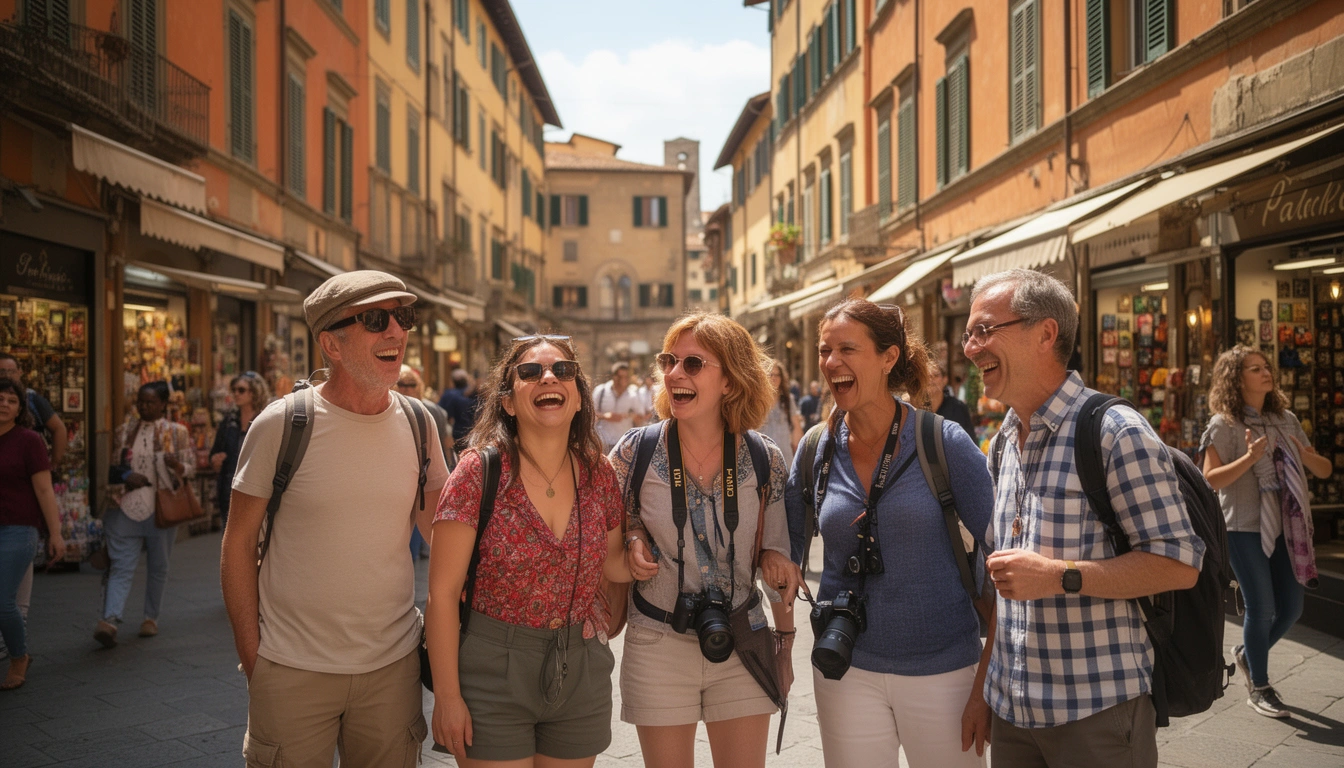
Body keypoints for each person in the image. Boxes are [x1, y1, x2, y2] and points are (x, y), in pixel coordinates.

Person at [966, 269, 1203, 767]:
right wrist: (982, 691)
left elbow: (1178, 563)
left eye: (985, 330)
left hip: (1096, 713)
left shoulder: (1116, 432)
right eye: (969, 334)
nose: (970, 348)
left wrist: (1057, 576)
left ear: (1045, 333)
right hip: (1012, 712)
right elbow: (1006, 595)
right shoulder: (1004, 442)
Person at [222, 271, 450, 766]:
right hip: (291, 669)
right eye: (375, 319)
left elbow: (445, 537)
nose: (396, 332)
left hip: (393, 668)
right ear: (332, 344)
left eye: (402, 317)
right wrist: (255, 657)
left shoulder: (418, 423)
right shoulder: (282, 423)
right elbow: (237, 543)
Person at [784, 300, 995, 768]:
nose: (831, 362)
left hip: (945, 673)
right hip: (844, 669)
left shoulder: (945, 443)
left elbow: (1003, 557)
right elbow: (784, 547)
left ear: (888, 357)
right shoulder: (817, 448)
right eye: (824, 351)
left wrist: (985, 683)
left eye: (846, 349)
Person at [427, 334, 630, 765]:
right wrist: (446, 697)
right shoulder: (476, 472)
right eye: (530, 372)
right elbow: (442, 595)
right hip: (491, 669)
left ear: (578, 399)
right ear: (508, 402)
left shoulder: (599, 474)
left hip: (581, 667)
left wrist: (645, 550)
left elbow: (614, 564)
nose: (549, 377)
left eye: (563, 371)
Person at [616, 312, 803, 768]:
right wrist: (632, 540)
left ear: (731, 381)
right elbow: (610, 528)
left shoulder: (766, 459)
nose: (674, 373)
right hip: (657, 640)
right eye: (669, 361)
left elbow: (776, 552)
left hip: (741, 637)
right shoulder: (633, 452)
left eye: (693, 364)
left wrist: (784, 643)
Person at [1201, 346, 1330, 718]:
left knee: (1291, 607)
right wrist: (1250, 459)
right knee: (1262, 607)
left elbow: (1322, 470)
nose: (1264, 372)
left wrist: (1302, 454)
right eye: (1254, 368)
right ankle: (1260, 686)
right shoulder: (1224, 424)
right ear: (1236, 379)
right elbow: (1211, 479)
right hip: (1243, 526)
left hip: (1287, 526)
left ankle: (1245, 653)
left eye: (1265, 366)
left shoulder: (1284, 418)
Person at [97, 380, 194, 647]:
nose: (144, 406)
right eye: (140, 401)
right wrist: (127, 475)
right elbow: (113, 466)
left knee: (158, 565)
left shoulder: (177, 433)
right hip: (125, 505)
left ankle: (151, 617)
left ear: (163, 404)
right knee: (121, 564)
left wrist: (178, 466)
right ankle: (110, 619)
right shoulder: (123, 431)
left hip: (161, 508)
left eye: (150, 402)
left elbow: (191, 467)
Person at [0, 352, 68, 659]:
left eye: (11, 401)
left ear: (19, 409)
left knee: (6, 600)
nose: (4, 404)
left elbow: (44, 491)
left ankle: (18, 655)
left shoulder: (29, 441)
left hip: (18, 527)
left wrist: (55, 534)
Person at [398, 364, 453, 560]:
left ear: (418, 386)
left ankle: (418, 551)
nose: (405, 388)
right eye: (401, 384)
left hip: (425, 475)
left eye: (410, 384)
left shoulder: (432, 411)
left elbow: (445, 442)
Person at [210, 372, 273, 532]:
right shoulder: (228, 421)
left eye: (241, 390)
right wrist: (215, 459)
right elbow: (215, 451)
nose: (236, 394)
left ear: (254, 391)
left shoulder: (266, 419)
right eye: (234, 390)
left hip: (258, 487)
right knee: (230, 534)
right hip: (229, 488)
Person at [0, 352, 68, 467]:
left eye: (11, 371)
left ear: (19, 372)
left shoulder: (32, 398)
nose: (7, 376)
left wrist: (53, 463)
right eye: (2, 371)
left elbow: (59, 428)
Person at [593, 361, 646, 453]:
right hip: (602, 443)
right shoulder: (600, 391)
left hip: (624, 445)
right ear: (613, 376)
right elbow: (590, 415)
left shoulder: (633, 395)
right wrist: (604, 416)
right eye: (620, 376)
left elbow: (641, 418)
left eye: (626, 377)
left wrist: (631, 416)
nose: (623, 380)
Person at [762, 359, 803, 465]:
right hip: (761, 454)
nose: (774, 378)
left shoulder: (788, 400)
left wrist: (799, 451)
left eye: (777, 375)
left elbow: (796, 426)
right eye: (770, 374)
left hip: (784, 456)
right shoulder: (756, 400)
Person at [926, 362, 975, 438]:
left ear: (945, 380)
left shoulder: (958, 408)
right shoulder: (917, 408)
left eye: (935, 375)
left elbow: (970, 441)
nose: (931, 380)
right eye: (927, 376)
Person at [440, 368, 479, 452]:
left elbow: (441, 412)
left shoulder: (449, 394)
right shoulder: (474, 393)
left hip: (457, 433)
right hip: (476, 433)